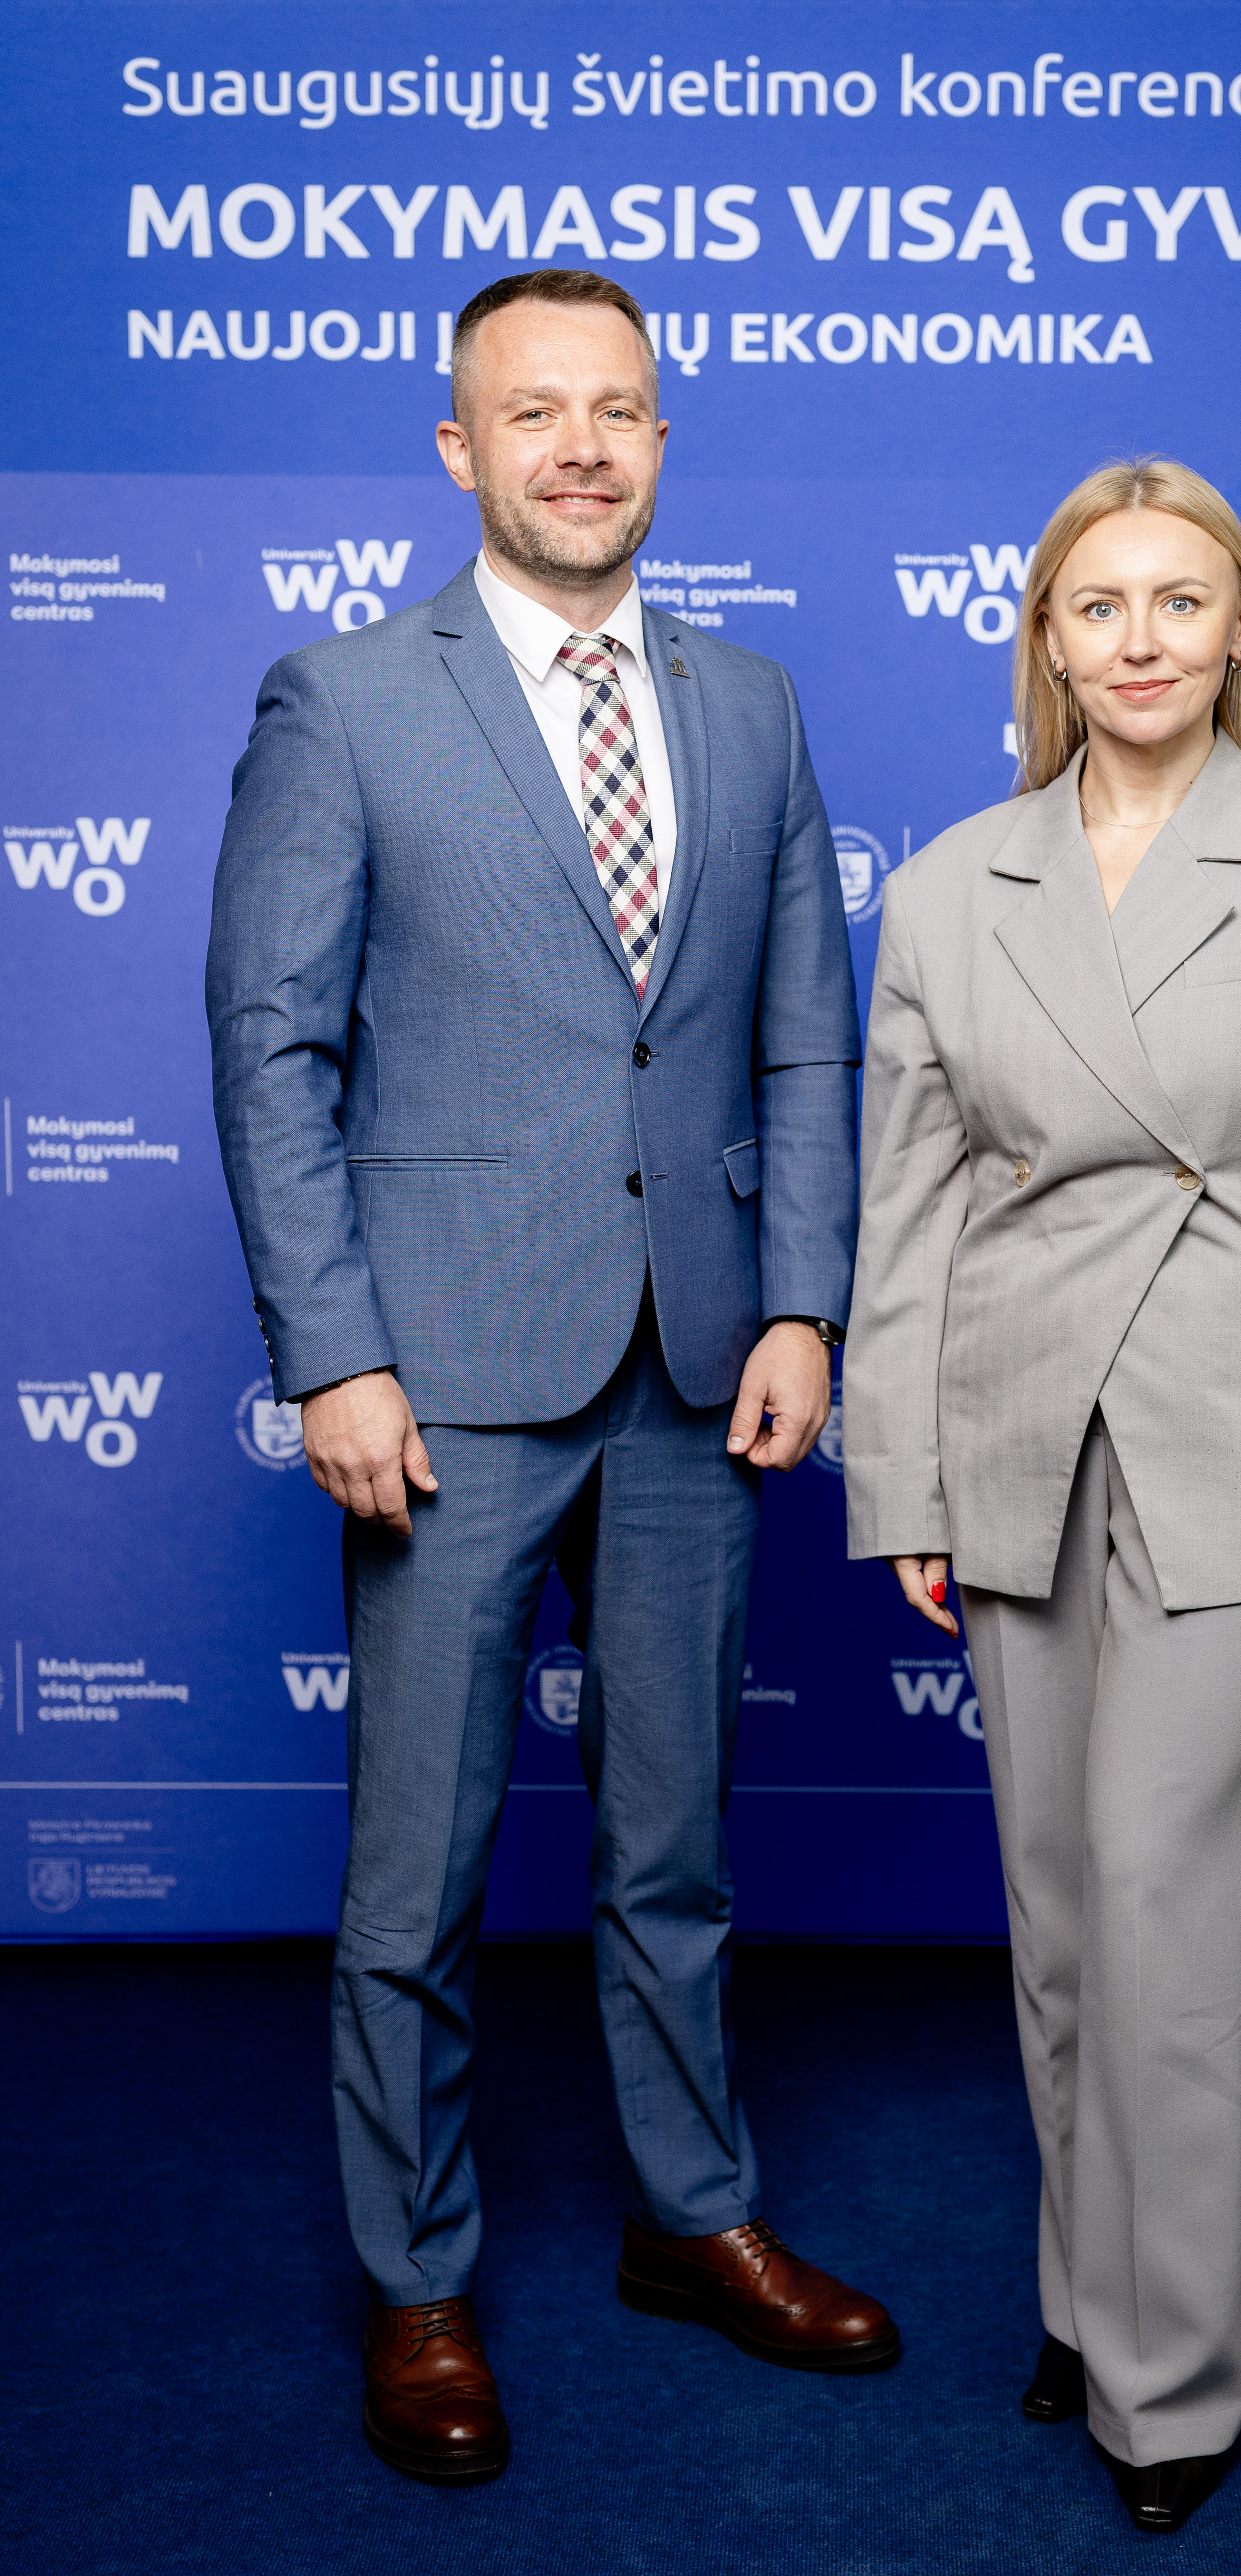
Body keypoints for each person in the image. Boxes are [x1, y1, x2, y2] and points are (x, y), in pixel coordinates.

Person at [206, 268, 896, 2487]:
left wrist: (802, 1304)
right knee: (413, 1883)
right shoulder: (341, 699)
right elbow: (273, 1049)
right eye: (534, 411)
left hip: (698, 1363)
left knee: (673, 1847)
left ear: (662, 442)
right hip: (445, 1379)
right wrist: (335, 1351)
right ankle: (416, 2279)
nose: (580, 445)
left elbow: (803, 1037)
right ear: (459, 448)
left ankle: (694, 2215)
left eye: (617, 409)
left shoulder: (750, 704)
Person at [842, 458, 1241, 2534]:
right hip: (1012, 1427)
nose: (1142, 640)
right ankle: (1082, 2294)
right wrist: (903, 1475)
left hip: (1233, 1443)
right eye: (1099, 606)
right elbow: (908, 1213)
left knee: (1171, 1916)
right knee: (1062, 1918)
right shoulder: (947, 890)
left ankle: (1165, 2380)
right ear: (1046, 638)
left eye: (1181, 600)